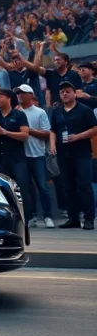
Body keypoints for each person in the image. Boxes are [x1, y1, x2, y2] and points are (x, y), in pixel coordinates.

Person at [49, 81, 97, 229]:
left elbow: (95, 129)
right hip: (63, 153)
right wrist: (52, 144)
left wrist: (78, 136)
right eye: (62, 92)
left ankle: (89, 218)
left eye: (68, 91)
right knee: (68, 186)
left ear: (75, 93)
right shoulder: (57, 111)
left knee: (84, 185)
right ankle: (73, 218)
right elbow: (52, 130)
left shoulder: (84, 110)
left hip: (81, 152)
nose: (64, 94)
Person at [14, 85, 55, 228]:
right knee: (26, 188)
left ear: (31, 95)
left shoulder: (39, 112)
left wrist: (28, 131)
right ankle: (30, 216)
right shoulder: (15, 112)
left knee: (42, 186)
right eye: (18, 93)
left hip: (37, 154)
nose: (19, 95)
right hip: (21, 156)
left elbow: (46, 133)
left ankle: (48, 216)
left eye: (22, 93)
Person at [0, 88, 31, 210]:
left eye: (1, 96)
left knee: (20, 188)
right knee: (1, 189)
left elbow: (25, 135)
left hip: (17, 158)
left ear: (9, 98)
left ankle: (25, 216)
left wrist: (5, 132)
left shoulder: (19, 115)